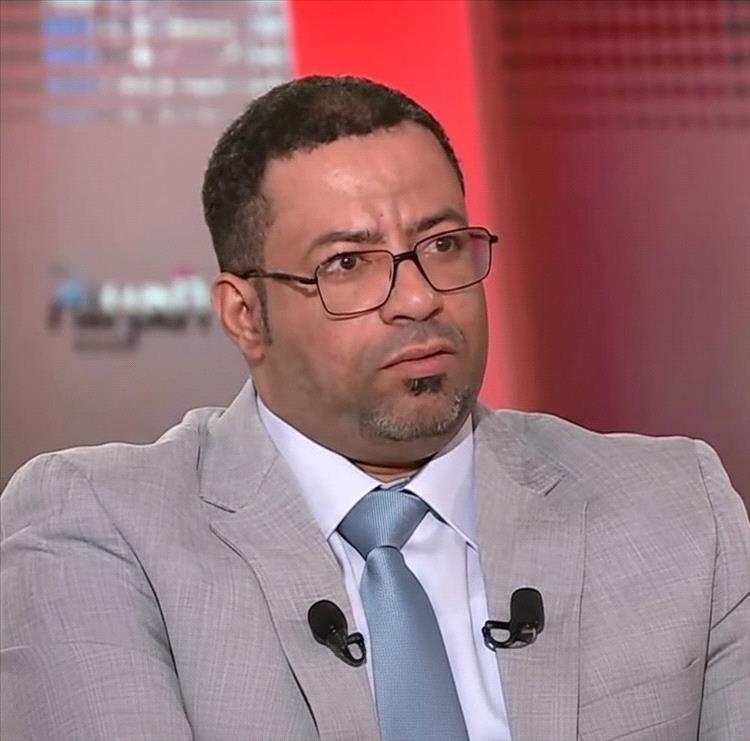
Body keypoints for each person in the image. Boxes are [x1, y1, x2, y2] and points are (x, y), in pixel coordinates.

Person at [1, 75, 748, 741]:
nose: (419, 298)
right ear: (244, 315)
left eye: (443, 245)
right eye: (348, 264)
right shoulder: (101, 531)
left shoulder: (676, 507)